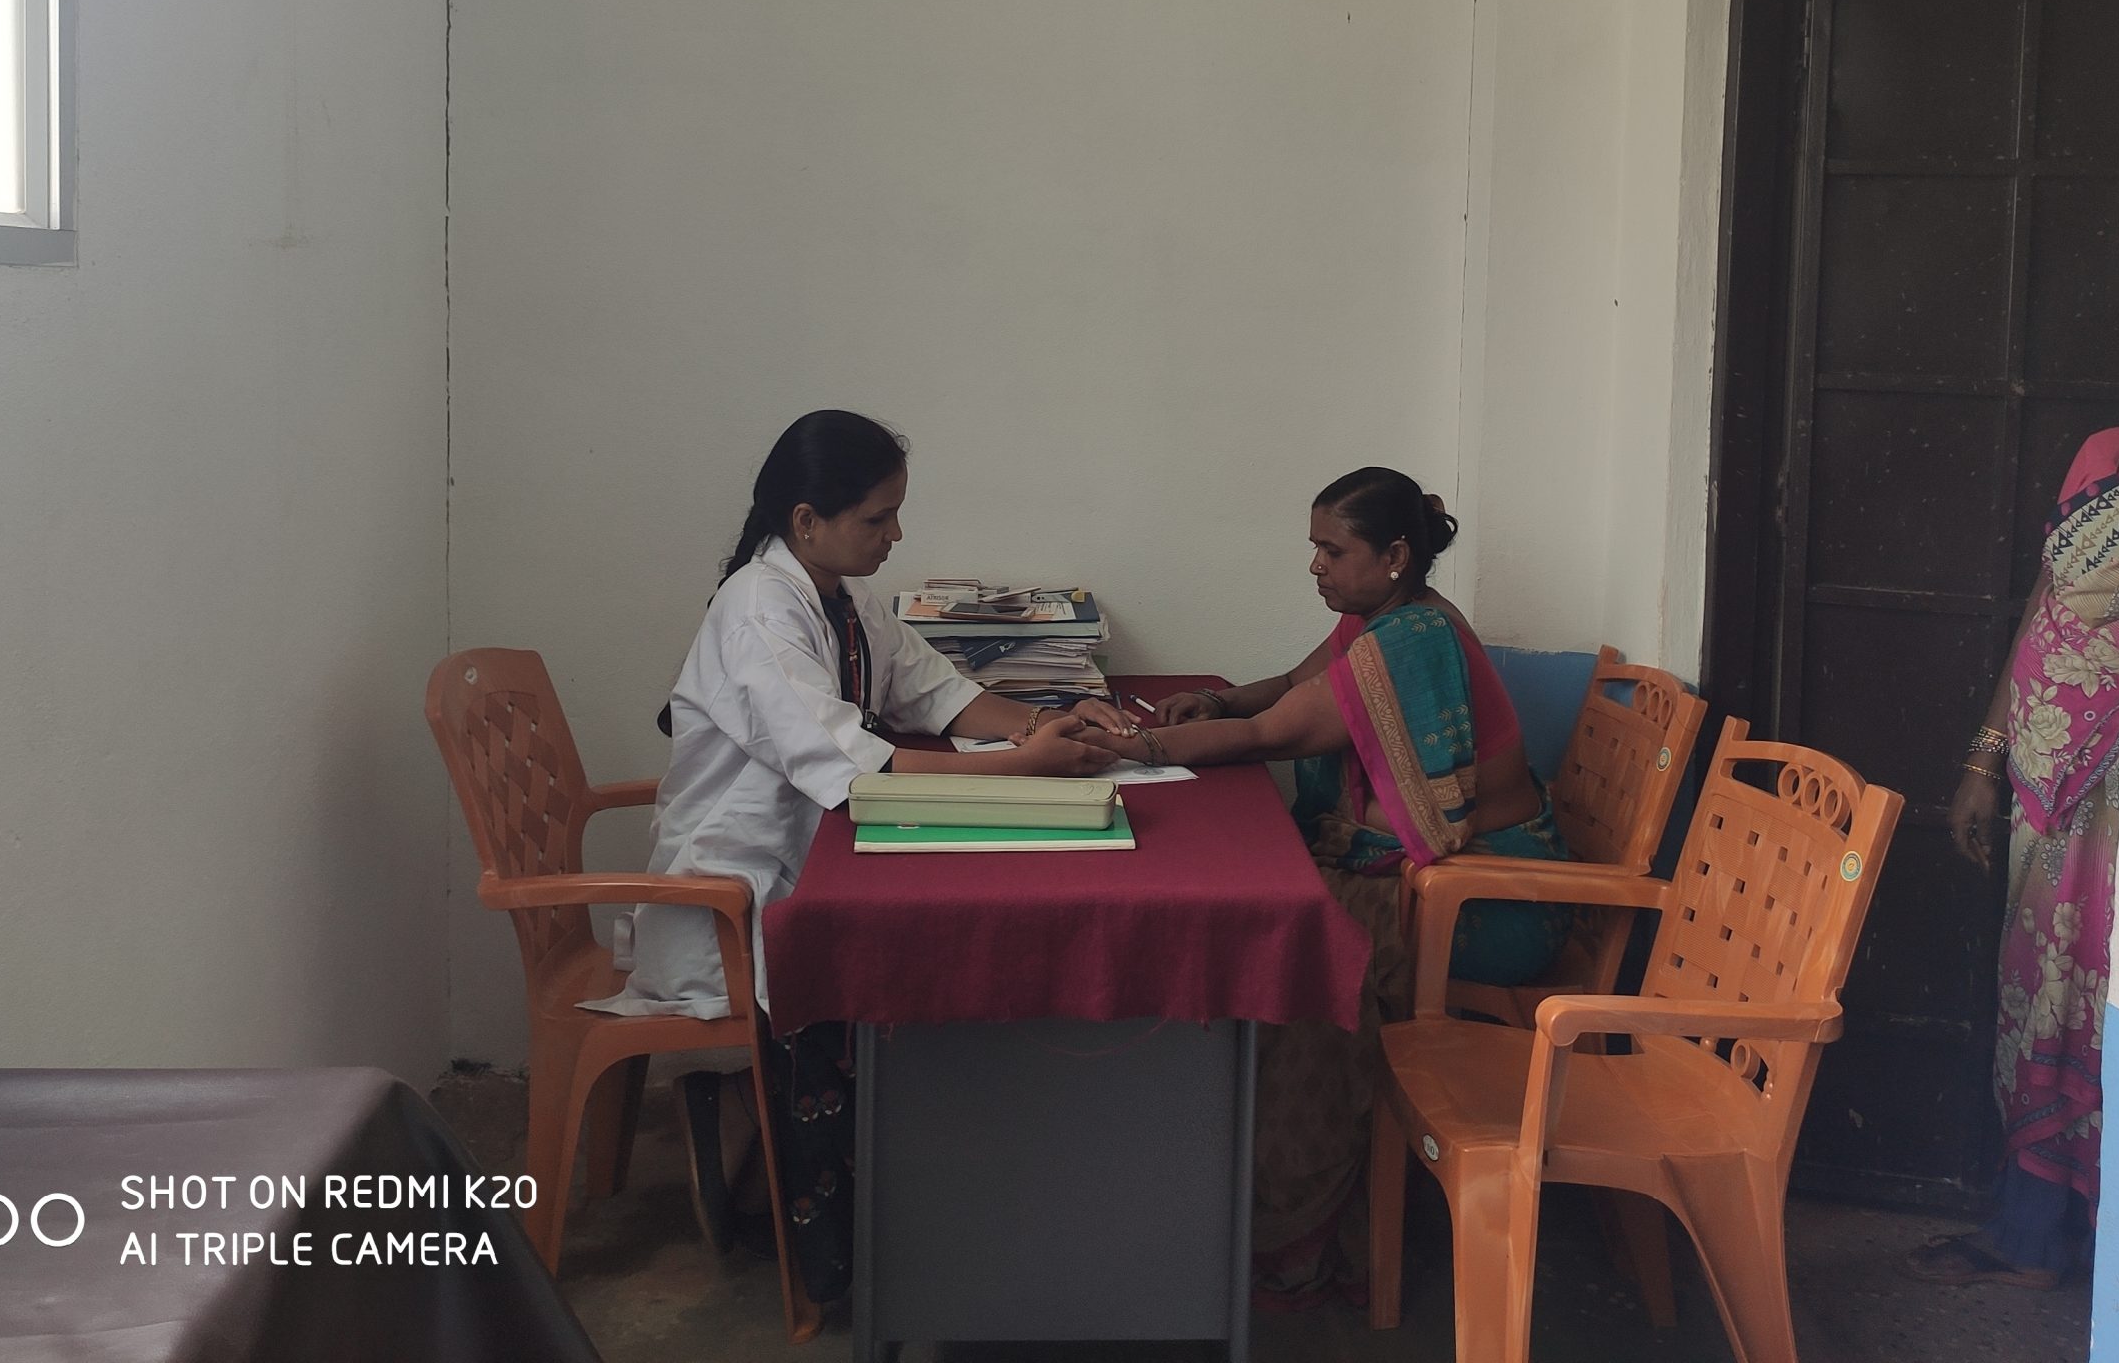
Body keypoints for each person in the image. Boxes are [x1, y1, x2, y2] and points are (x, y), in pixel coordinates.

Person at [588, 409, 1124, 1303]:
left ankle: (928, 1182)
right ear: (807, 520)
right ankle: (795, 1188)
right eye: (879, 517)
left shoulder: (839, 595)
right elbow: (853, 767)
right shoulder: (759, 612)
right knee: (900, 963)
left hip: (813, 858)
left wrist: (1040, 722)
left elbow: (937, 691)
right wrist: (1025, 769)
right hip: (735, 896)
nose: (896, 534)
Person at [1094, 466, 1572, 1308]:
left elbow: (1271, 735)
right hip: (1429, 877)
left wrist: (1124, 750)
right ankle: (1222, 1181)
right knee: (1272, 916)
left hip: (1488, 903)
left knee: (1300, 952)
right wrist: (1210, 699)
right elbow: (1287, 689)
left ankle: (1295, 1228)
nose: (1315, 565)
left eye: (1331, 549)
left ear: (1394, 555)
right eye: (1314, 546)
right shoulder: (1375, 620)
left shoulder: (1410, 641)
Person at [1910, 289, 2119, 1289]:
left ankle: (2104, 1249)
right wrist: (1986, 754)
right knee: (2037, 992)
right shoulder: (2105, 456)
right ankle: (2032, 1229)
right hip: (2049, 785)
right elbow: (2049, 610)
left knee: (2101, 998)